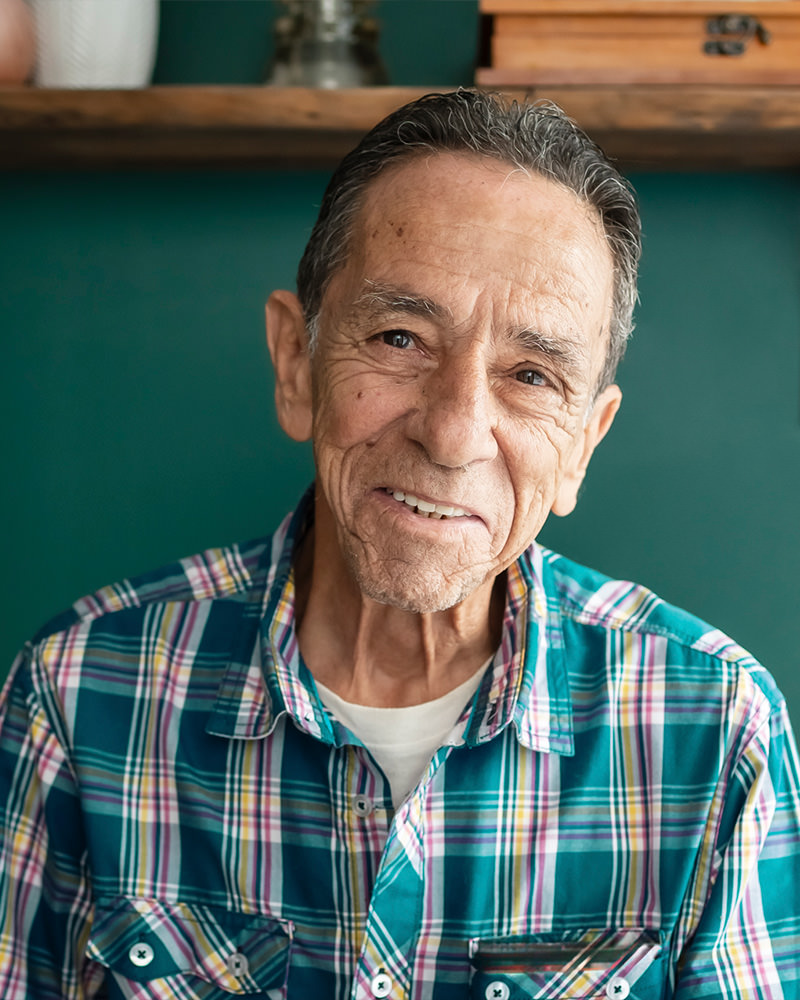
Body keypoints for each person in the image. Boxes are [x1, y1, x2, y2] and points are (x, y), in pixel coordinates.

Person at [1, 89, 798, 1000]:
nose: (454, 432)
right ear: (297, 364)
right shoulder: (78, 695)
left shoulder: (715, 728)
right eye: (400, 337)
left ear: (583, 443)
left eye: (532, 375)